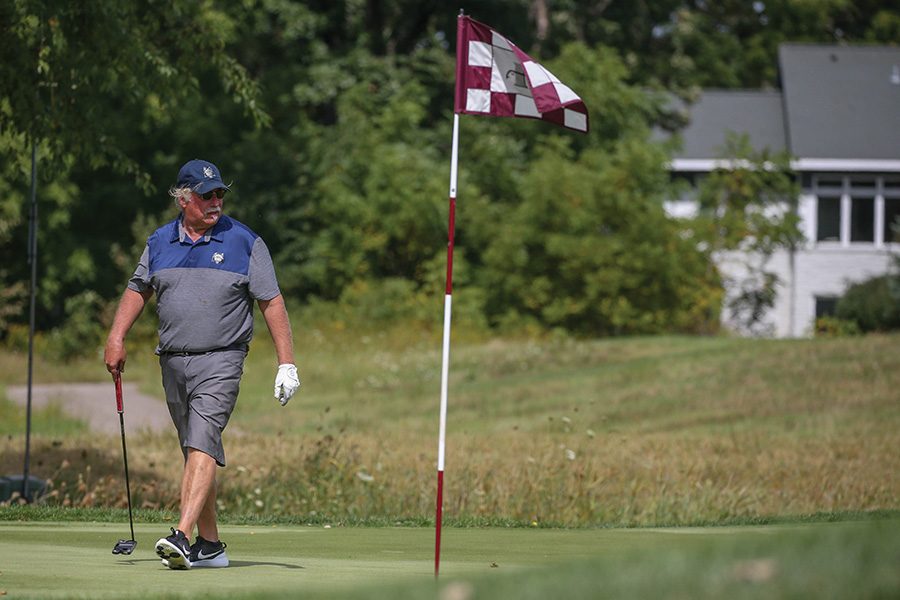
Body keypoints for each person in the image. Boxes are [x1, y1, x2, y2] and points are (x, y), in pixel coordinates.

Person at [103, 159, 301, 570]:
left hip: (223, 358)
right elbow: (138, 288)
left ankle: (181, 534)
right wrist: (116, 336)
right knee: (196, 447)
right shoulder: (159, 242)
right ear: (184, 199)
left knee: (202, 438)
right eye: (207, 195)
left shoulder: (244, 241)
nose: (216, 202)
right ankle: (210, 546)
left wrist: (287, 363)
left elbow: (272, 302)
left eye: (220, 194)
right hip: (173, 361)